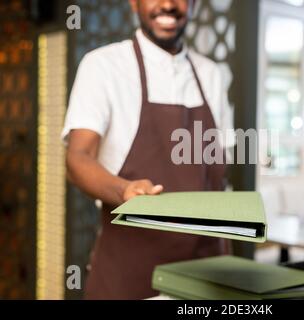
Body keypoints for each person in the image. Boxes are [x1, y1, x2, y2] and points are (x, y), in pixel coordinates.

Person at [62, 0, 234, 299]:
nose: (168, 5)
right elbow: (78, 158)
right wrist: (124, 191)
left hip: (205, 272)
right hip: (129, 271)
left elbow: (220, 175)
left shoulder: (211, 74)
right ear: (134, 3)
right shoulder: (103, 66)